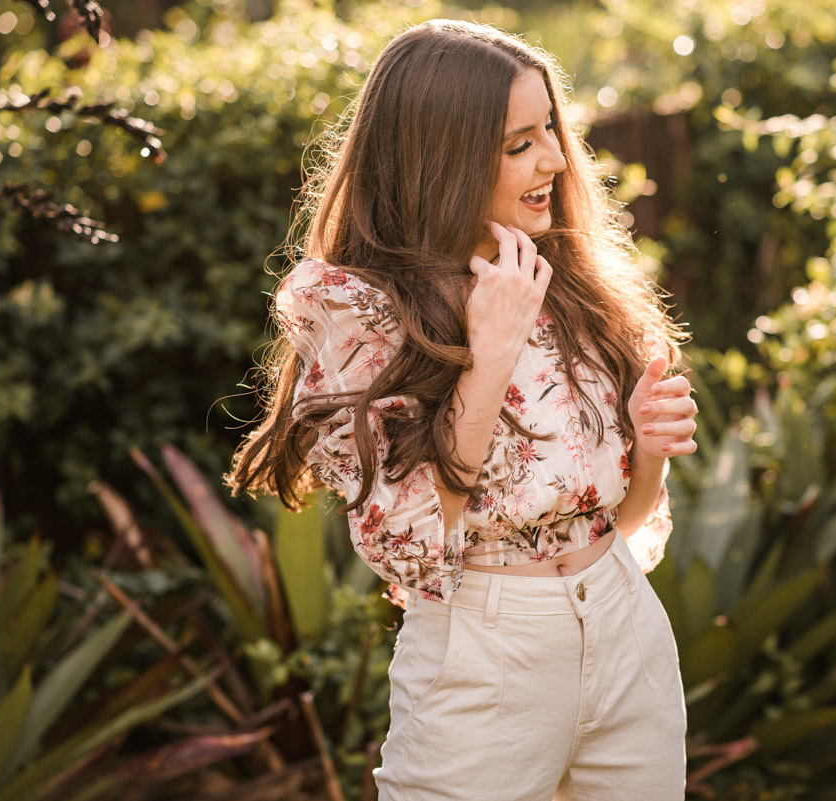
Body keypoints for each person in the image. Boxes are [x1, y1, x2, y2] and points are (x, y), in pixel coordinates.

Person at [225, 18, 697, 801]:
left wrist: (648, 445)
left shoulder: (567, 278)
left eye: (549, 126)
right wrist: (491, 355)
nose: (553, 156)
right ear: (442, 158)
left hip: (625, 634)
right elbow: (404, 542)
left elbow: (626, 515)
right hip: (486, 651)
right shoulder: (355, 309)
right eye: (519, 143)